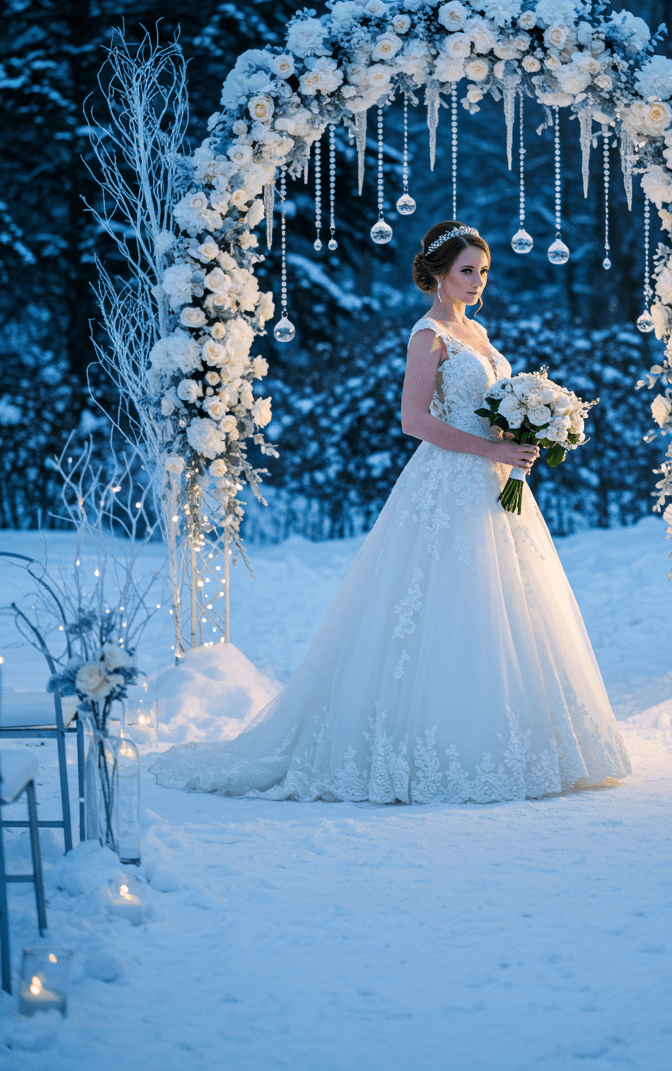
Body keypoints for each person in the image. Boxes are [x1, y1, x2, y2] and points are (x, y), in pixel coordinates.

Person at [150, 221, 631, 804]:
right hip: (449, 481)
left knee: (508, 607)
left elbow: (486, 409)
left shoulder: (477, 332)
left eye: (483, 271)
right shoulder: (427, 335)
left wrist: (525, 433)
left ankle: (522, 741)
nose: (478, 281)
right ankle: (438, 745)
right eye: (466, 271)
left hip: (498, 482)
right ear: (436, 273)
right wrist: (493, 447)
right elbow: (415, 420)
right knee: (444, 607)